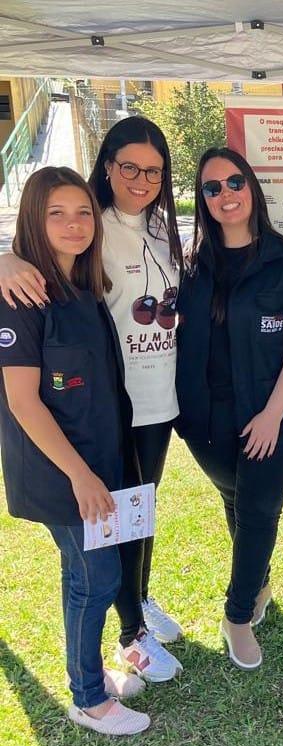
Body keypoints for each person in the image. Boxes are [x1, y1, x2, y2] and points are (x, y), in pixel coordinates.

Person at [0, 117, 184, 683]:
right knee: (102, 550)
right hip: (90, 425)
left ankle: (137, 606)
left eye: (153, 170)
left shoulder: (154, 231)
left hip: (152, 403)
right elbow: (24, 392)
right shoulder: (79, 235)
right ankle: (127, 633)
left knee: (136, 519)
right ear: (107, 166)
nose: (141, 178)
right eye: (129, 166)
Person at [0, 167, 150, 735]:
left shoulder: (82, 290)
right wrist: (82, 477)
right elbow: (24, 403)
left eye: (83, 211)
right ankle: (89, 699)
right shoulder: (19, 295)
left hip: (98, 463)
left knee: (83, 576)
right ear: (34, 221)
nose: (74, 224)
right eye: (56, 213)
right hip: (63, 471)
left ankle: (88, 678)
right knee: (97, 578)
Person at [176, 148, 283, 669]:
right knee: (235, 498)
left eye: (234, 182)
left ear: (252, 187)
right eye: (211, 188)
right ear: (203, 200)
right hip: (204, 417)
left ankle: (237, 615)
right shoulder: (190, 262)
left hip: (272, 412)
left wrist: (271, 416)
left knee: (258, 510)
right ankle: (257, 581)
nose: (225, 195)